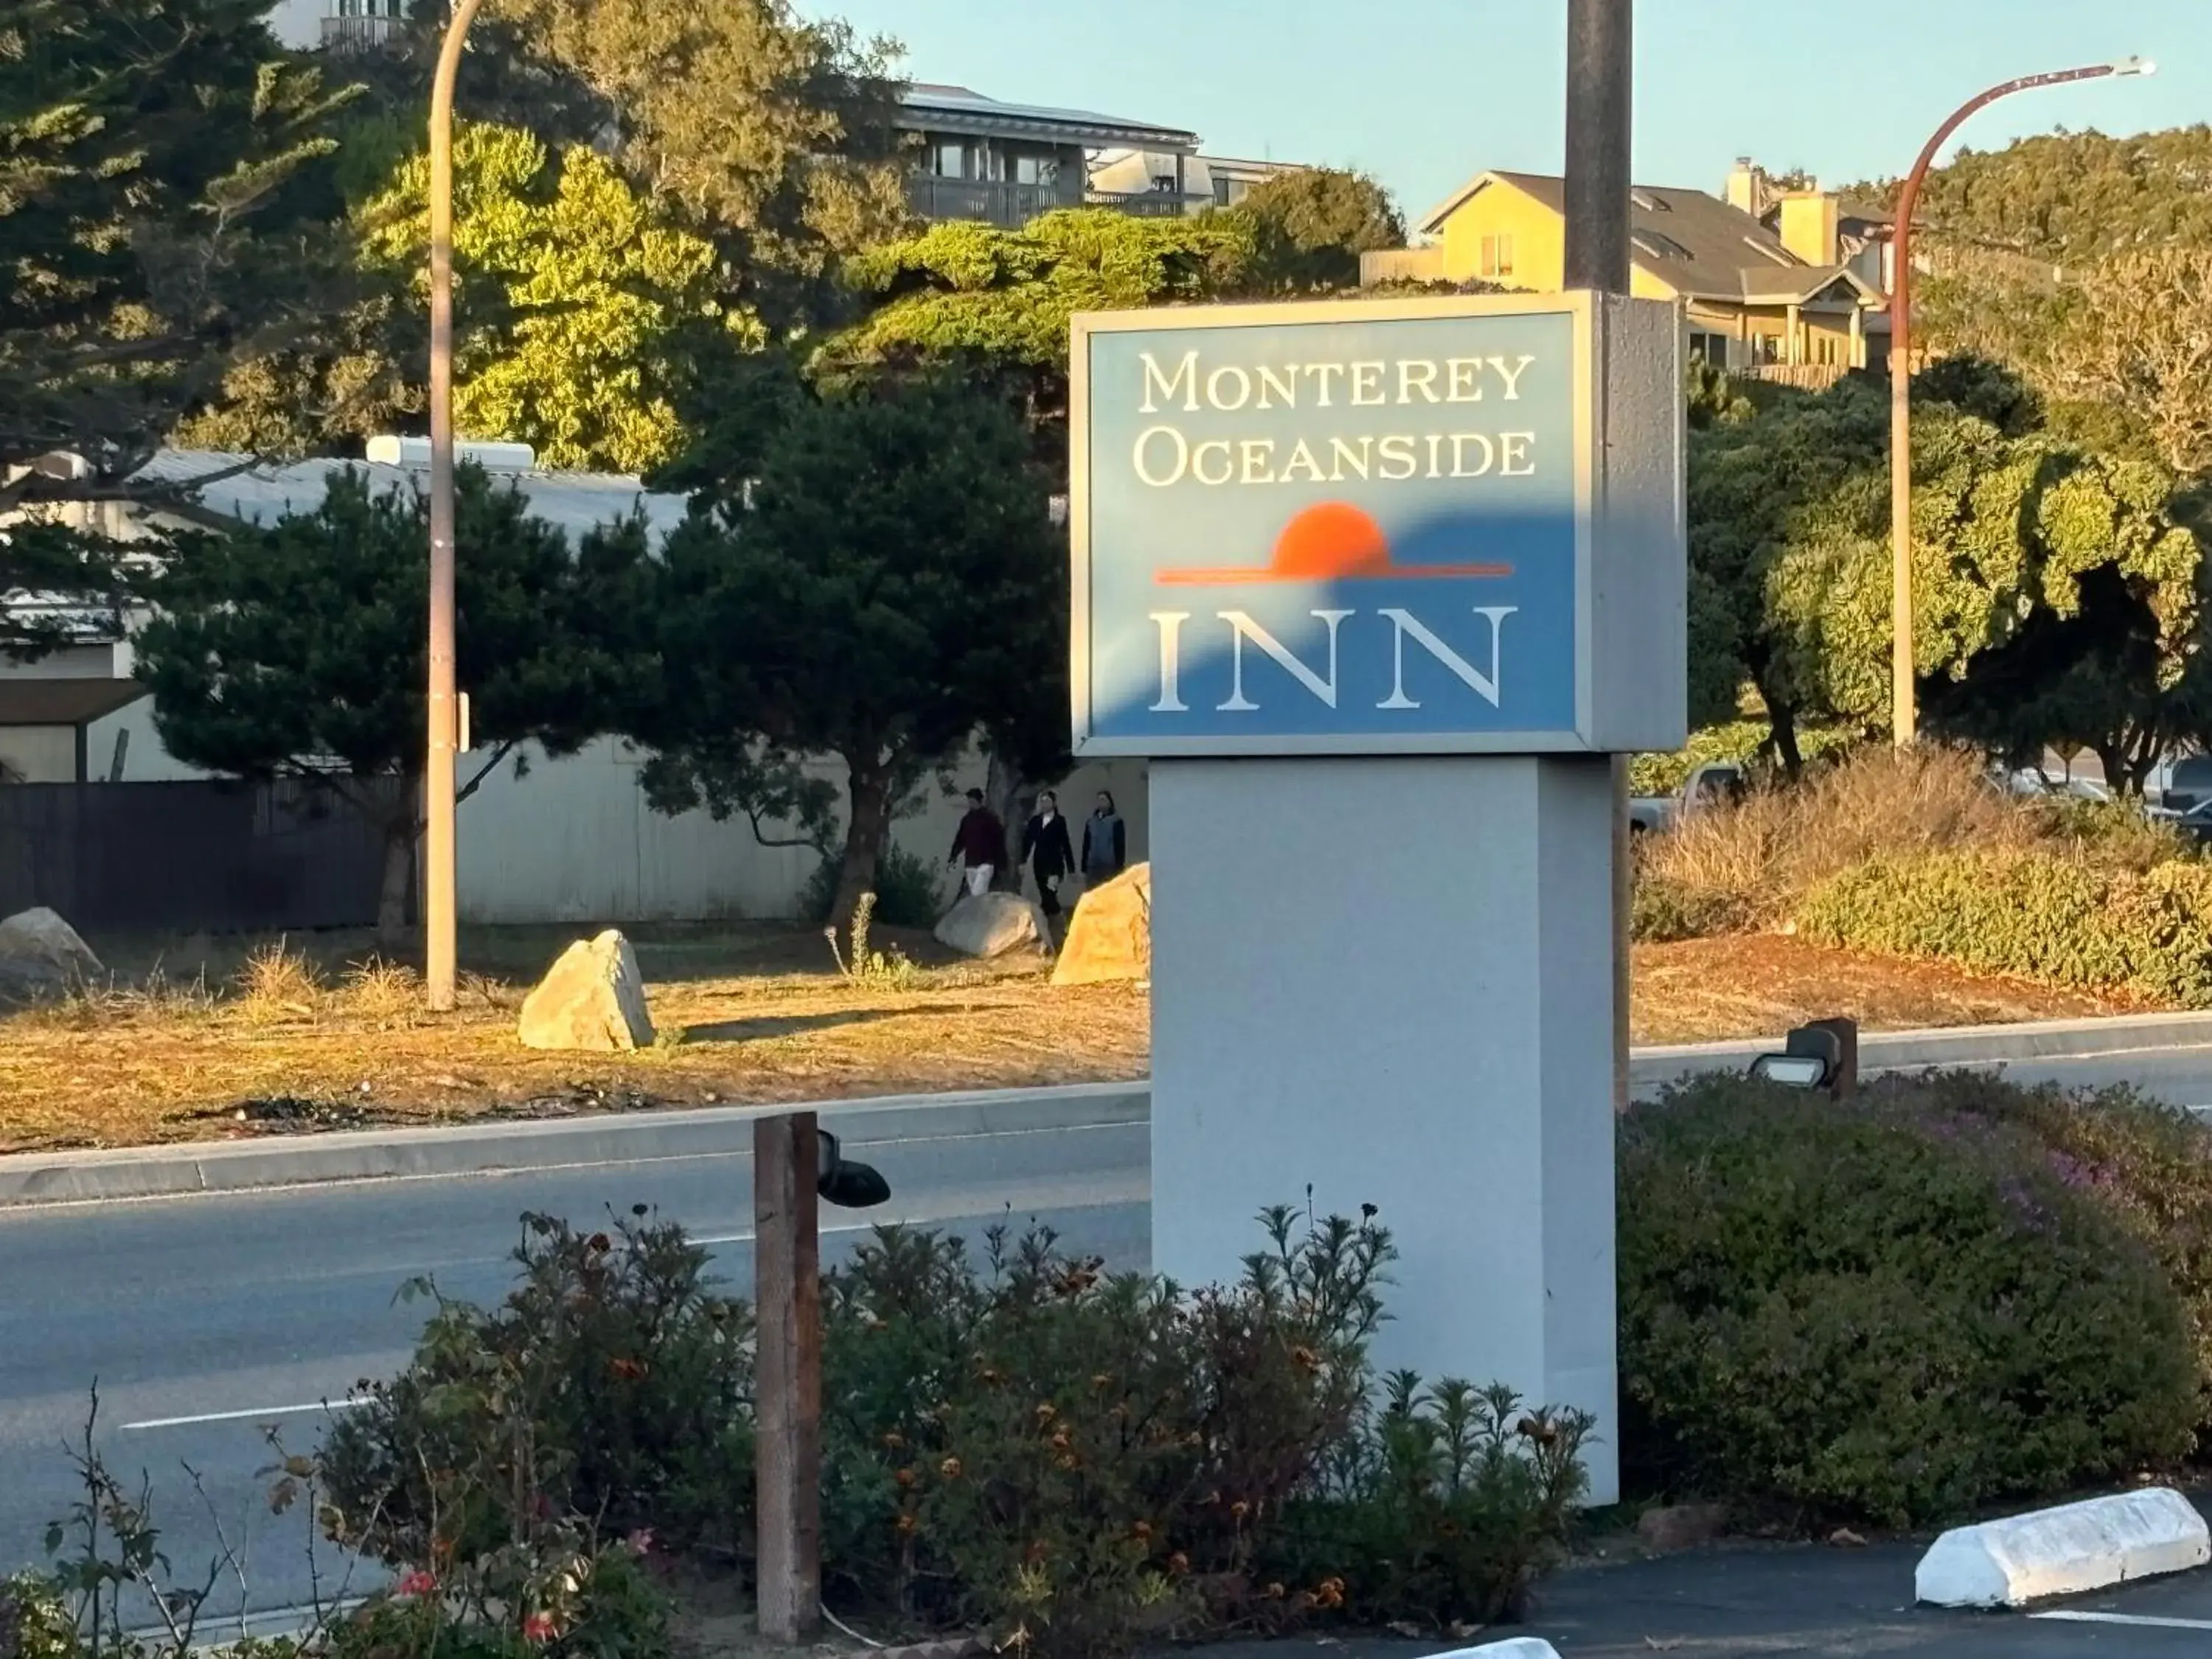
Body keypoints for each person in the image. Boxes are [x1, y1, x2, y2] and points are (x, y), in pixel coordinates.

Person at [1021, 789, 1077, 924]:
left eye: (1047, 801)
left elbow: (1065, 844)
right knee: (1044, 894)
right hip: (1039, 864)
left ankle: (1060, 922)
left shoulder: (1059, 821)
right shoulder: (1035, 821)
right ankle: (1050, 925)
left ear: (1054, 803)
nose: (1044, 804)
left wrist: (1071, 869)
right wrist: (1023, 861)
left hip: (1054, 865)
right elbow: (1028, 842)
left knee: (1050, 894)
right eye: (1042, 801)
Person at [947, 787, 1004, 900]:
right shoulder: (967, 820)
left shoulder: (990, 818)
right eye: (969, 801)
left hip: (986, 861)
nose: (970, 804)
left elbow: (998, 839)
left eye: (973, 801)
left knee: (977, 893)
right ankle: (983, 914)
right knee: (978, 895)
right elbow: (960, 839)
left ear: (979, 801)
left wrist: (1001, 861)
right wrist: (953, 856)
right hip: (971, 862)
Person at [1082, 790, 1127, 883]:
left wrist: (1119, 866)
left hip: (1109, 865)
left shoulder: (1116, 821)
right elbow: (1086, 843)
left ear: (1110, 802)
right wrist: (1084, 864)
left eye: (1103, 800)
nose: (1101, 803)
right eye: (1099, 800)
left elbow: (1120, 844)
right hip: (1093, 866)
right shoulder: (1091, 822)